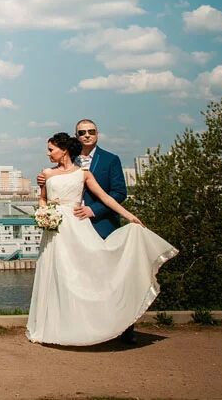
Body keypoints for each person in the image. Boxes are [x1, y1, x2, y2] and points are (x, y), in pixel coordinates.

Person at [26, 132, 177, 346]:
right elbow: (42, 199)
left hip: (77, 227)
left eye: (51, 149)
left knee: (83, 274)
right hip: (54, 230)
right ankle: (55, 327)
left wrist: (130, 216)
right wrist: (43, 215)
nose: (48, 153)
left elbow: (105, 197)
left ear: (64, 150)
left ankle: (90, 325)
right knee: (57, 276)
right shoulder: (46, 174)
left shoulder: (83, 174)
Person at [37, 118, 135, 341]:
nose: (87, 136)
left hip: (99, 224)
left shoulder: (110, 160)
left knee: (106, 277)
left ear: (97, 133)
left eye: (91, 132)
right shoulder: (53, 168)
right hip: (63, 230)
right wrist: (44, 198)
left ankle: (120, 328)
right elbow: (45, 194)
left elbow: (116, 194)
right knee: (70, 278)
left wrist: (96, 210)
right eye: (82, 133)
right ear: (75, 138)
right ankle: (73, 326)